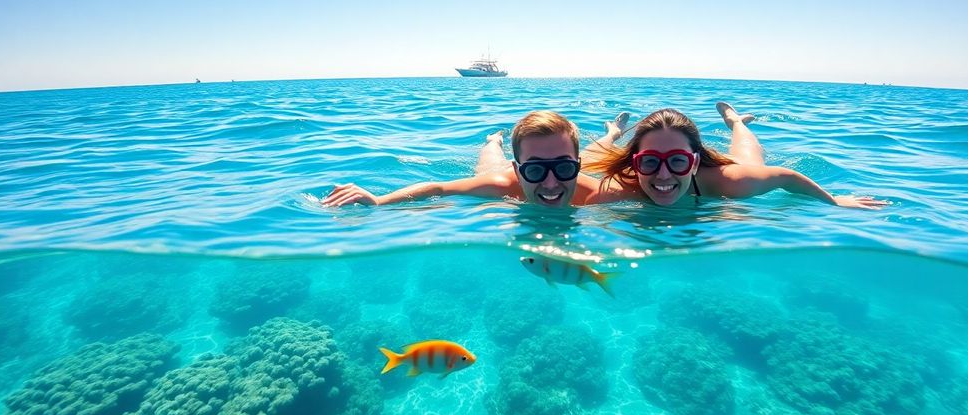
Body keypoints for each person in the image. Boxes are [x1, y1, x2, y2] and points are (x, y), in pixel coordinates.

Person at [585, 104, 887, 209]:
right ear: (635, 162)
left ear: (695, 161)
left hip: (725, 175)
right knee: (591, 159)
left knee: (748, 157)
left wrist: (834, 201)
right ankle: (613, 132)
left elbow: (787, 176)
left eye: (677, 160)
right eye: (649, 161)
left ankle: (736, 122)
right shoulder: (624, 187)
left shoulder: (730, 183)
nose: (663, 175)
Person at [322, 111, 603, 208]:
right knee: (490, 159)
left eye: (565, 167)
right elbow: (437, 189)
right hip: (497, 171)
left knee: (596, 156)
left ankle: (611, 134)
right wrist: (379, 202)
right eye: (535, 170)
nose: (551, 182)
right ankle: (494, 140)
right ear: (518, 171)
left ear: (575, 167)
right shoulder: (501, 185)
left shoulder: (596, 193)